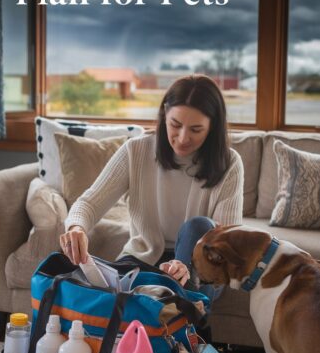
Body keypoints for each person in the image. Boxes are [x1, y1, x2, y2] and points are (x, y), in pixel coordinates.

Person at [60, 74, 244, 300]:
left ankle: (180, 309)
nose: (183, 138)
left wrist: (184, 265)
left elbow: (226, 243)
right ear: (164, 115)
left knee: (200, 227)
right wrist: (76, 228)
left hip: (201, 266)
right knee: (103, 291)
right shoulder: (136, 151)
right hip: (143, 259)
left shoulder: (230, 163)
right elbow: (89, 203)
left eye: (196, 129)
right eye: (175, 125)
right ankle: (180, 317)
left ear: (212, 127)